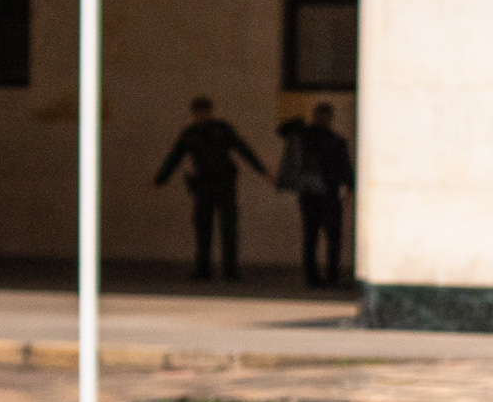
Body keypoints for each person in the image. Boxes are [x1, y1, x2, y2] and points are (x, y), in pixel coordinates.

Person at [152, 96, 269, 281]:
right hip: (203, 185)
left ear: (209, 112)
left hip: (224, 184)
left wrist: (262, 171)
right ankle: (202, 269)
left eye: (204, 112)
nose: (201, 116)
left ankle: (230, 270)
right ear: (194, 114)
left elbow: (243, 149)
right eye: (198, 113)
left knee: (228, 229)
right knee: (203, 228)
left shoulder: (222, 129)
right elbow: (175, 157)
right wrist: (159, 180)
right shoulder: (190, 134)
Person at [277, 102, 356, 288]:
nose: (322, 120)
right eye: (319, 116)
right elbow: (283, 131)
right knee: (314, 236)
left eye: (325, 116)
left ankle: (329, 277)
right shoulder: (306, 135)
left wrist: (349, 189)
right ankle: (316, 278)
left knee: (329, 237)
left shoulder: (335, 140)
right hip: (313, 194)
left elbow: (345, 167)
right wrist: (298, 122)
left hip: (327, 193)